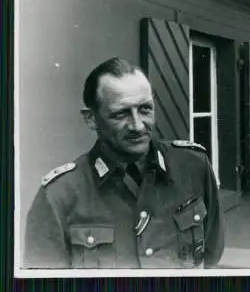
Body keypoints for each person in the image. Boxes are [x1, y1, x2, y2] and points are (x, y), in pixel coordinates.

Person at [24, 57, 224, 269]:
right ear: (91, 119)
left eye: (145, 109)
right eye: (121, 114)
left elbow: (210, 255)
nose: (137, 126)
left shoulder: (193, 166)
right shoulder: (58, 195)